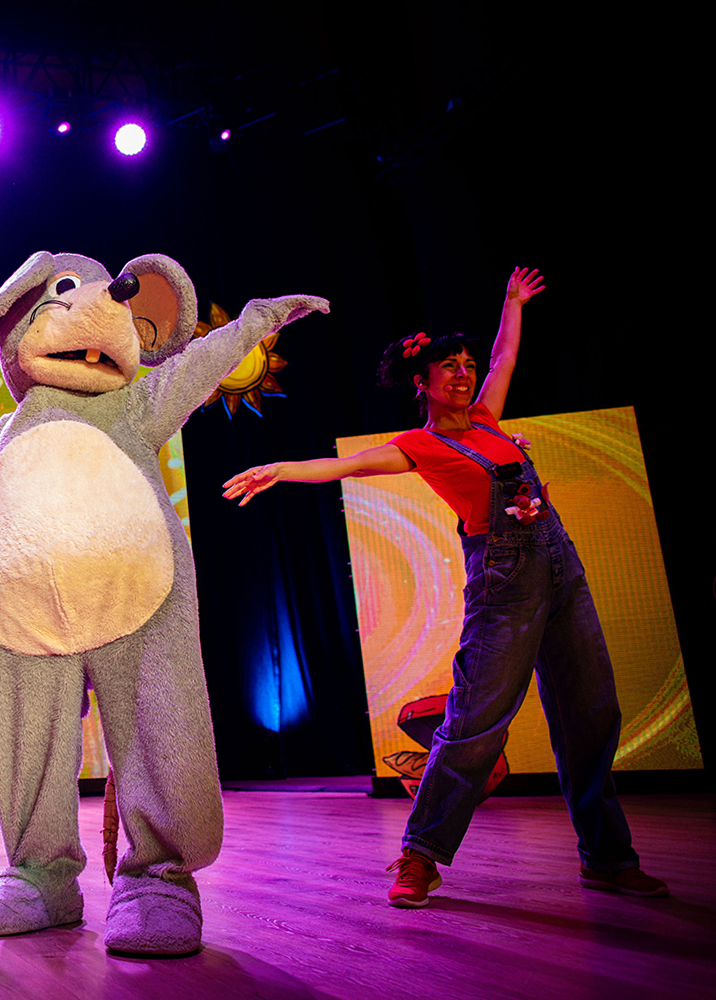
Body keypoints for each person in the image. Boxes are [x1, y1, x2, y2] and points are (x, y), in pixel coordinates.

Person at [223, 267, 668, 908]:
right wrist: (279, 470)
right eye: (448, 367)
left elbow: (504, 355)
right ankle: (420, 856)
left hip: (561, 569)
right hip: (506, 581)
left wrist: (512, 304)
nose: (462, 374)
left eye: (465, 364)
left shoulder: (488, 418)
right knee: (474, 722)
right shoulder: (420, 445)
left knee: (592, 716)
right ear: (422, 383)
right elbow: (342, 467)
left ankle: (606, 857)